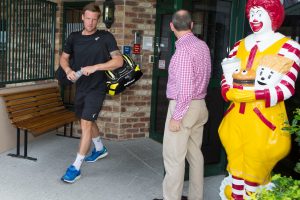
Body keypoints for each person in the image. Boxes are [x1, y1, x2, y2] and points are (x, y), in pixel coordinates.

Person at [218, 0, 300, 199]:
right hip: (235, 119)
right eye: (252, 13)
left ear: (273, 15)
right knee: (236, 166)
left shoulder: (289, 47)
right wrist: (228, 91)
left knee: (255, 172)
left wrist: (255, 94)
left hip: (265, 122)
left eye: (259, 13)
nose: (254, 18)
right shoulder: (239, 45)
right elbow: (226, 77)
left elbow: (286, 87)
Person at [59, 2, 123, 183]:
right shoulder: (73, 37)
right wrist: (68, 70)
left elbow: (118, 61)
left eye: (94, 19)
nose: (91, 23)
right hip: (81, 87)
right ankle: (100, 149)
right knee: (87, 119)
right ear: (82, 17)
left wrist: (96, 67)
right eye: (88, 18)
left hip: (97, 87)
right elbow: (63, 58)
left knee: (86, 123)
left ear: (98, 20)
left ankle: (76, 167)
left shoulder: (105, 37)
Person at [156, 10, 211, 200]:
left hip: (184, 108)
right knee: (195, 155)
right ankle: (197, 197)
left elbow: (185, 90)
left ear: (171, 26)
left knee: (173, 159)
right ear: (192, 25)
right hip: (200, 106)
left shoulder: (182, 53)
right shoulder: (202, 46)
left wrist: (176, 117)